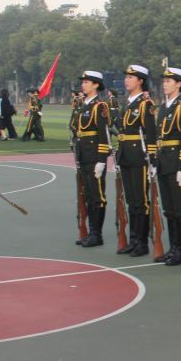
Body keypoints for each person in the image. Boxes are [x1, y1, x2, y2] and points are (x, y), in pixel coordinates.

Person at [113, 65, 158, 257]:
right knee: (131, 201)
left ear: (140, 81)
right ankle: (133, 240)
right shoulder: (127, 102)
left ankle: (142, 242)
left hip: (139, 156)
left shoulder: (145, 104)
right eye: (126, 77)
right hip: (125, 155)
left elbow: (151, 134)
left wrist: (153, 160)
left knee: (141, 201)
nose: (127, 80)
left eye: (131, 77)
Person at [154, 67, 181, 265]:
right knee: (169, 209)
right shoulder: (164, 107)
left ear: (179, 84)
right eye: (164, 81)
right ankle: (173, 248)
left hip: (176, 162)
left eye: (169, 81)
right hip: (164, 162)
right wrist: (156, 161)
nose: (165, 84)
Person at [70, 71, 111, 247]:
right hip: (83, 155)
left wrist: (102, 159)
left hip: (94, 156)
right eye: (83, 82)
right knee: (87, 195)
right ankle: (90, 232)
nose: (83, 85)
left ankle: (96, 234)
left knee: (97, 196)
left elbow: (103, 134)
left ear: (96, 85)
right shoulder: (83, 105)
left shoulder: (99, 106)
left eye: (87, 82)